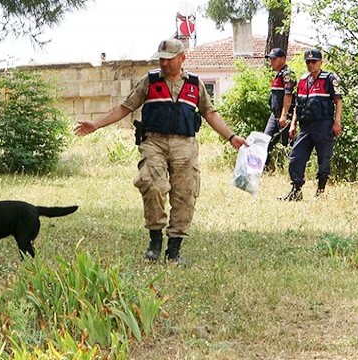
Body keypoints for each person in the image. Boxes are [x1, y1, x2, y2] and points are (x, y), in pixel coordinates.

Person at [73, 38, 246, 264]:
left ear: (182, 58)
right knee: (151, 184)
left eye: (169, 59)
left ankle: (174, 249)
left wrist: (231, 137)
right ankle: (155, 240)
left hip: (185, 145)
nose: (164, 64)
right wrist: (96, 124)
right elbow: (125, 107)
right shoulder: (150, 81)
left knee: (185, 195)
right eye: (161, 59)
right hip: (154, 142)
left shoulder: (195, 84)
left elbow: (210, 113)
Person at [279, 48, 343, 201]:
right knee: (296, 158)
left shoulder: (329, 78)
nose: (311, 64)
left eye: (314, 61)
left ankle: (320, 192)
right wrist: (293, 124)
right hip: (306, 126)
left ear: (321, 62)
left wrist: (337, 121)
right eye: (308, 62)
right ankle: (296, 191)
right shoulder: (302, 80)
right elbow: (298, 105)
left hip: (324, 125)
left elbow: (338, 101)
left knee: (324, 159)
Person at [263, 48, 296, 171]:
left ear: (283, 59)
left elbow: (288, 95)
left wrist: (284, 115)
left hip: (285, 115)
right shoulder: (278, 74)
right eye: (270, 59)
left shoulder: (288, 74)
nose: (271, 61)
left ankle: (289, 170)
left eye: (274, 59)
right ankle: (264, 168)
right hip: (274, 115)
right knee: (266, 140)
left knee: (286, 145)